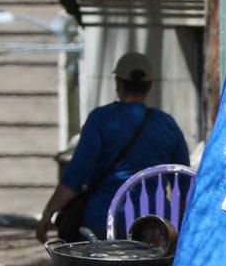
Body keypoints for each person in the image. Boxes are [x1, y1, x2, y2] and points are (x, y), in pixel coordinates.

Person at [37, 52, 190, 243]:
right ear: (149, 86)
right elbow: (184, 184)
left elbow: (76, 175)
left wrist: (48, 213)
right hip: (155, 226)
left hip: (105, 221)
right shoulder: (167, 124)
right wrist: (181, 229)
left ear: (117, 83)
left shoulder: (100, 120)